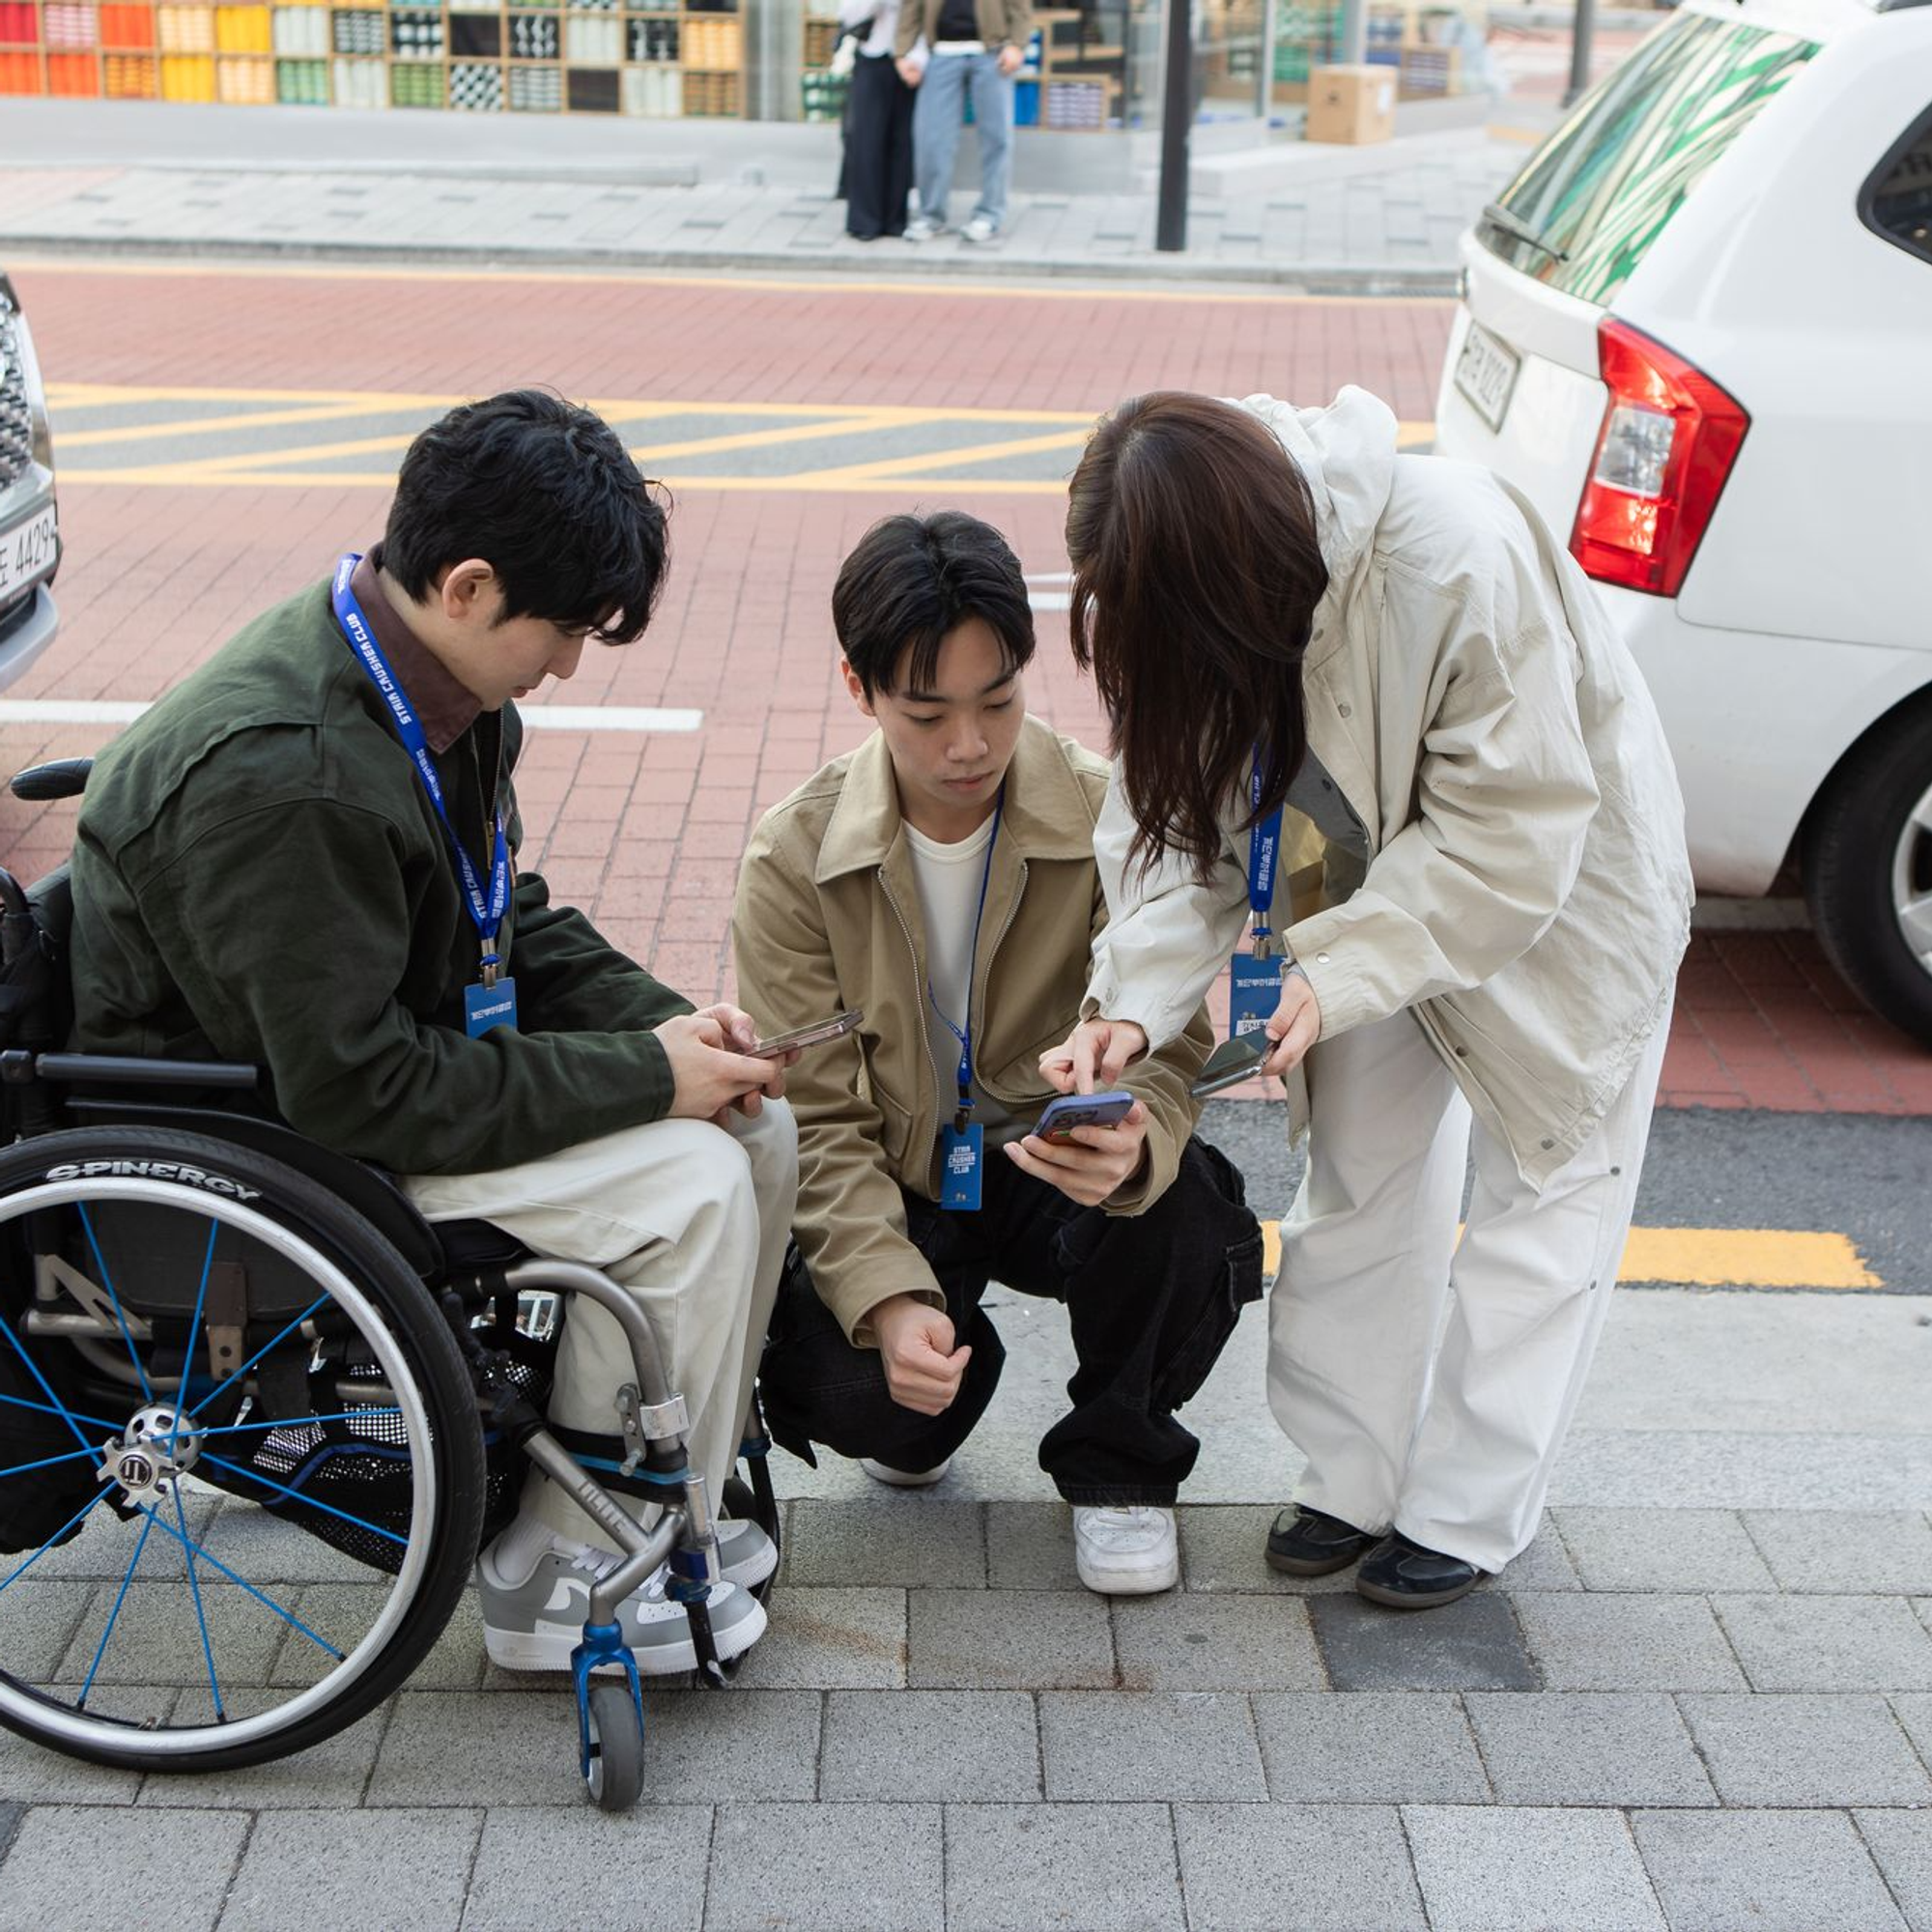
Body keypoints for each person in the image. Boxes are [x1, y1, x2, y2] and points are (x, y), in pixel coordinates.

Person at [69, 390, 799, 1673]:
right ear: (467, 586)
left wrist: (675, 1028)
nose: (568, 665)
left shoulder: (431, 688)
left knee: (757, 1121)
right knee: (686, 1182)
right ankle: (560, 1563)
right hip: (256, 1128)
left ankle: (662, 1500)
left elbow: (498, 915)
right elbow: (356, 1090)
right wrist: (643, 1080)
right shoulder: (289, 773)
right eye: (562, 630)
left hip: (349, 1066)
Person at [1047, 386, 1693, 1609]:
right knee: (1357, 1173)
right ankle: (1351, 1475)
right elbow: (1174, 833)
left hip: (1557, 897)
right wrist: (1130, 1002)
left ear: (1229, 576)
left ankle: (1464, 1509)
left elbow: (1506, 838)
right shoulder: (1190, 598)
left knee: (1544, 1187)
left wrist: (1325, 970)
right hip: (1354, 894)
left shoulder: (1455, 556)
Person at [731, 511, 1263, 1595]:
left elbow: (1175, 1029)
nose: (967, 745)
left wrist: (1141, 1133)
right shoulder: (794, 858)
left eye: (998, 700)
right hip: (895, 1175)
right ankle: (938, 1372)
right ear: (858, 687)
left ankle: (1120, 1467)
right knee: (838, 1381)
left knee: (1187, 1212)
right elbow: (815, 1122)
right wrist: (886, 1297)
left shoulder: (1110, 815)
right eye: (926, 714)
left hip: (1044, 1166)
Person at [895, 0, 1032, 243]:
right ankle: (931, 215)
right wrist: (902, 53)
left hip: (992, 53)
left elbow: (1020, 7)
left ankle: (989, 215)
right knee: (932, 139)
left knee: (996, 139)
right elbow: (910, 8)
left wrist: (1017, 45)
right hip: (941, 53)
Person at [835, 0, 914, 241]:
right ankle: (865, 221)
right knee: (867, 139)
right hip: (872, 57)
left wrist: (916, 60)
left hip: (911, 63)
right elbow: (849, 15)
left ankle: (895, 220)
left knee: (903, 142)